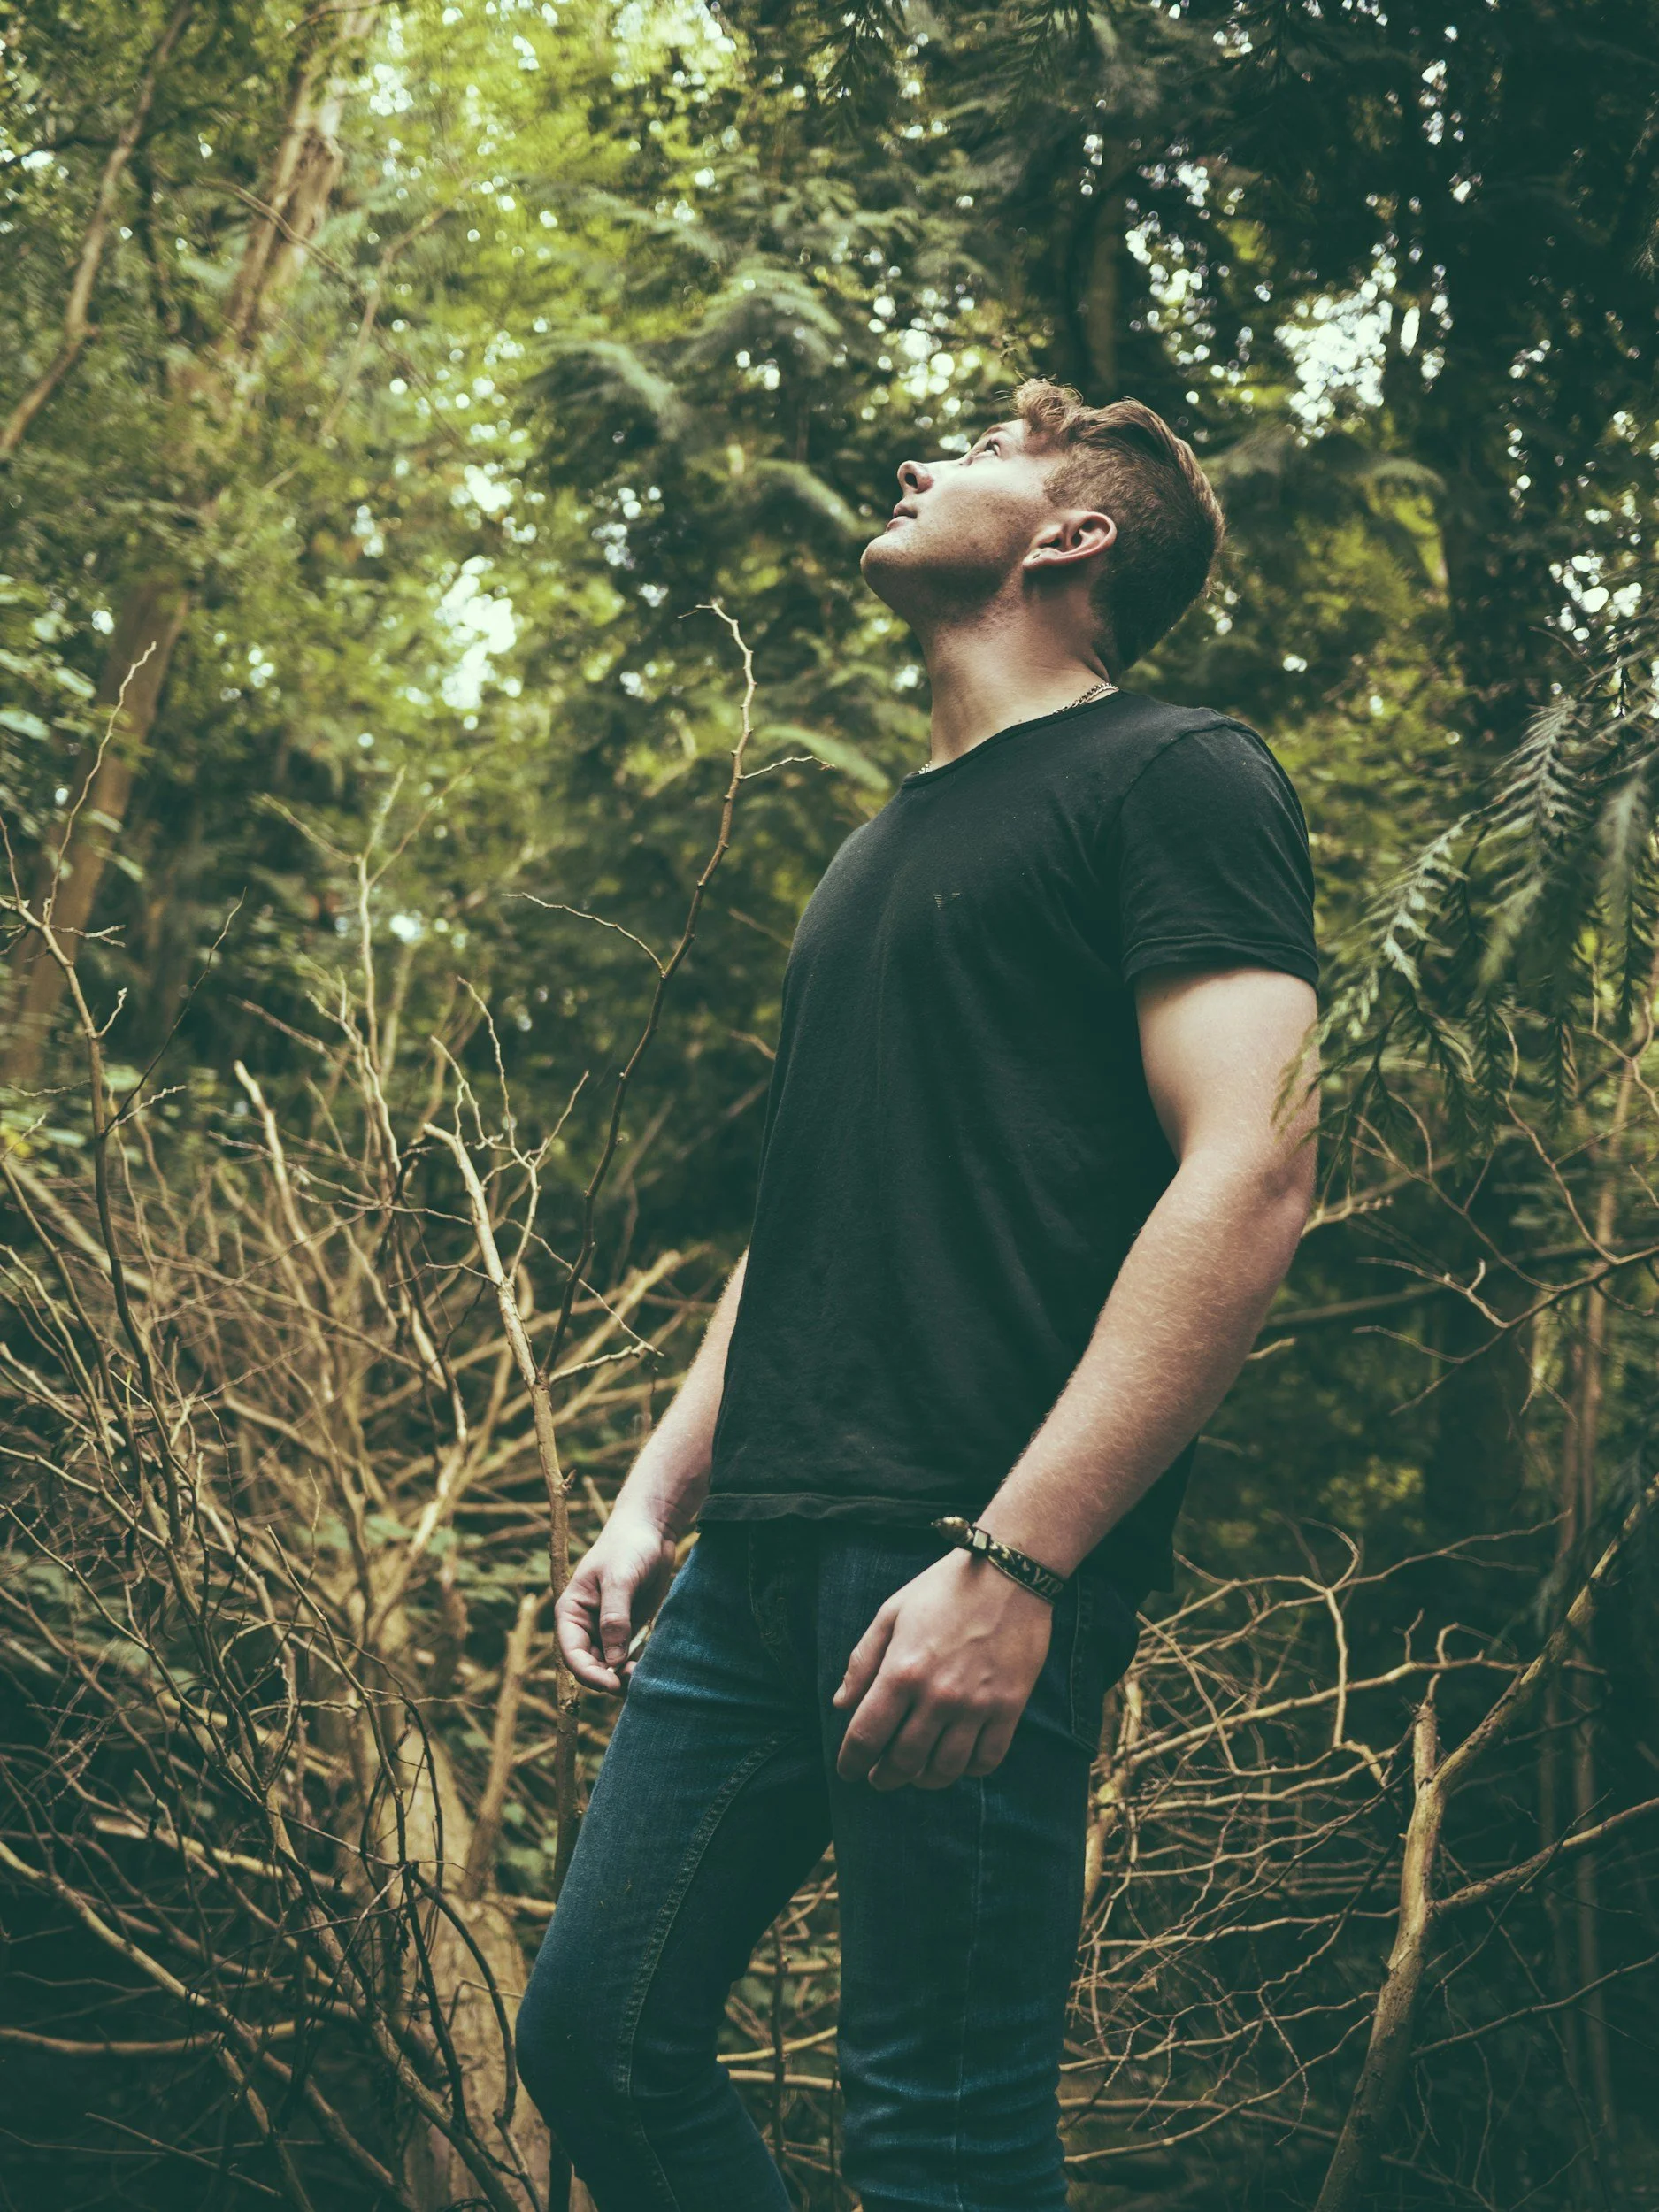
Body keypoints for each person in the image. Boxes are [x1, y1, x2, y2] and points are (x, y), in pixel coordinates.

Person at [515, 379, 1320, 2211]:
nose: (910, 467)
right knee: (597, 2039)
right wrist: (656, 1500)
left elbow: (1254, 1167)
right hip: (757, 1565)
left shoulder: (1174, 771)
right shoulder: (881, 847)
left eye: (966, 457)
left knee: (940, 2137)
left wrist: (1020, 1560)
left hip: (965, 1550)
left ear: (1071, 535)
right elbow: (809, 1213)